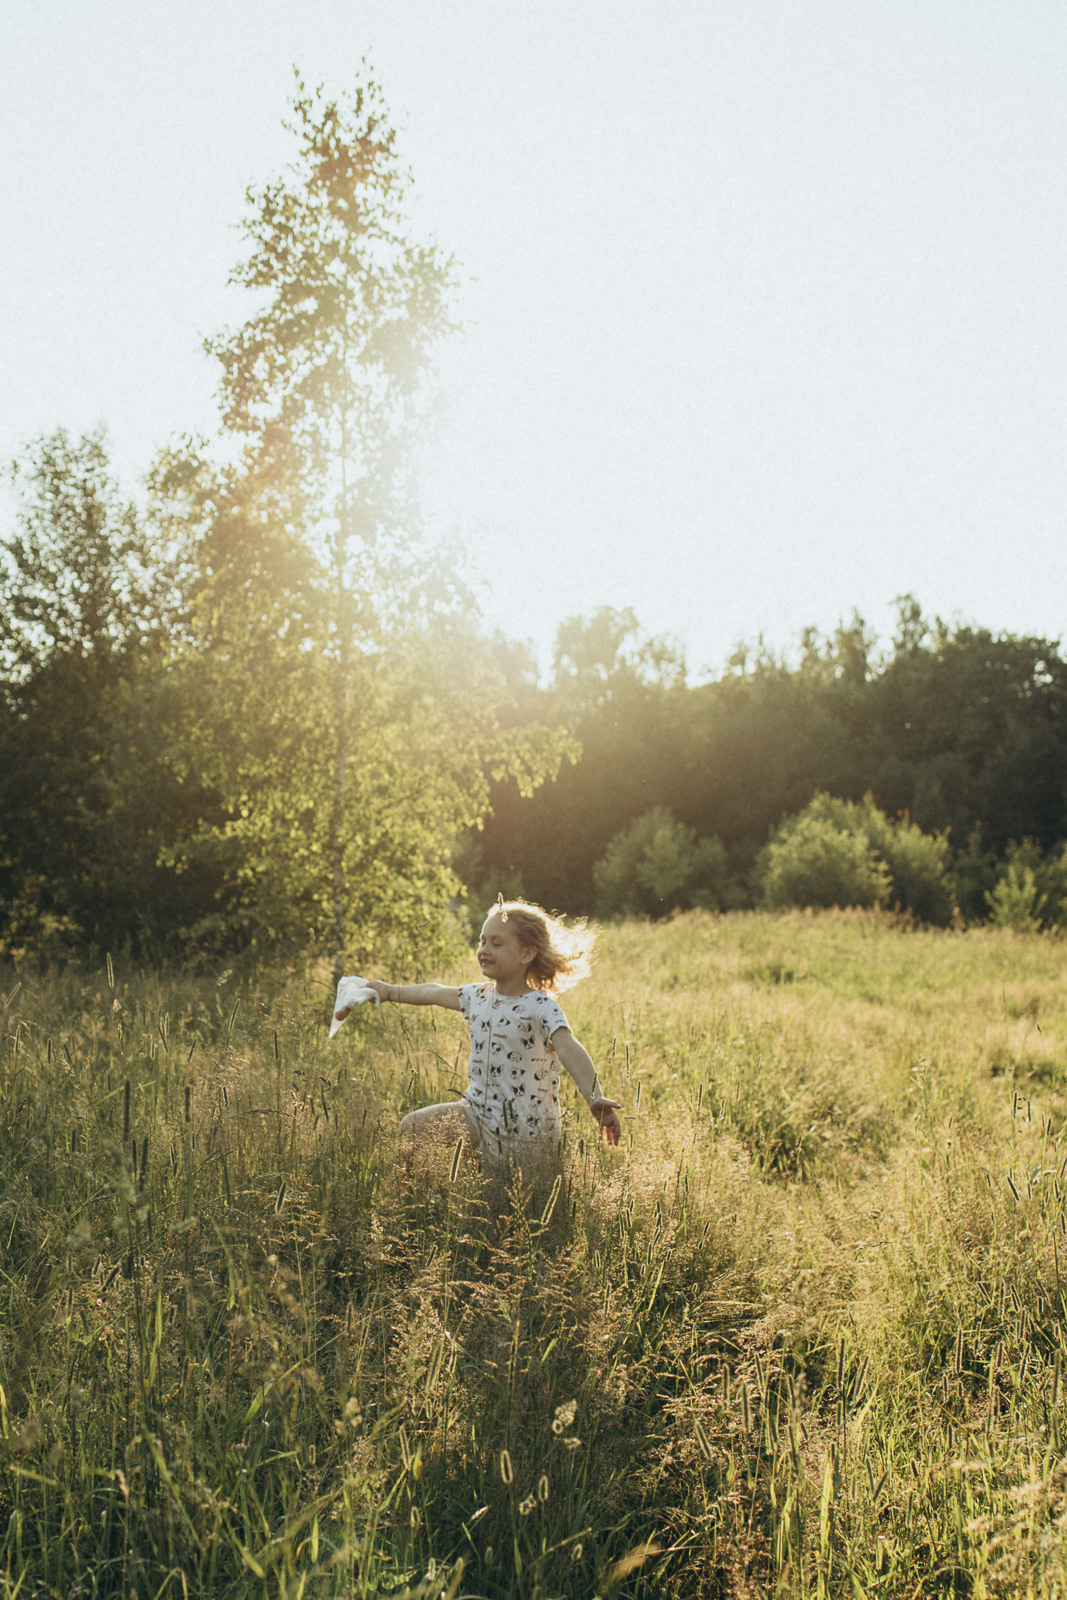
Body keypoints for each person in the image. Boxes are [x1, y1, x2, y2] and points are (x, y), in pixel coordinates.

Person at [336, 900, 622, 1165]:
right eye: (482, 940)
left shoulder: (541, 1007)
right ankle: (413, 1203)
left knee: (501, 1210)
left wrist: (595, 1096)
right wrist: (388, 991)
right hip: (476, 1114)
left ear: (527, 954)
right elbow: (434, 991)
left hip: (527, 1135)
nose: (484, 949)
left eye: (497, 943)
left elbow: (569, 1048)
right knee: (412, 1129)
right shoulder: (478, 995)